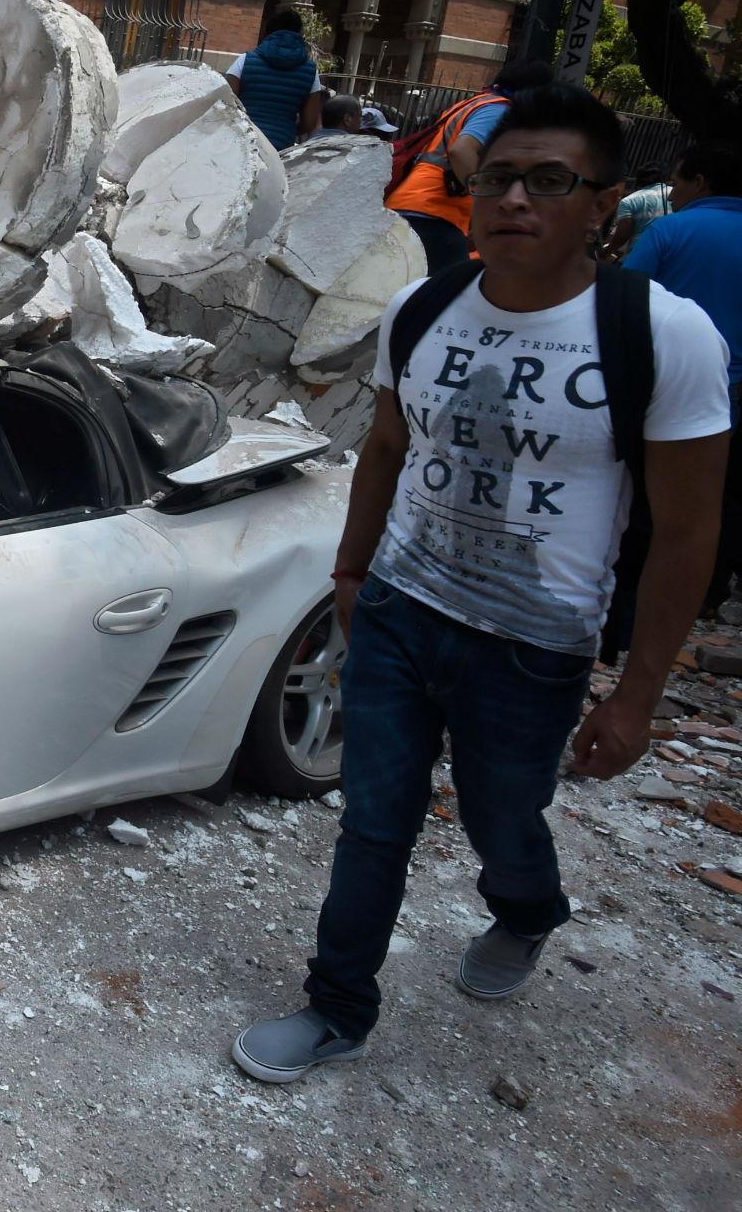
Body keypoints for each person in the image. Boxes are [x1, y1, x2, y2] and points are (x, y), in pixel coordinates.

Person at [232, 84, 732, 1086]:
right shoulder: (421, 305)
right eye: (498, 177)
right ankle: (336, 1007)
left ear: (604, 204)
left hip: (531, 645)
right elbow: (382, 444)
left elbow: (685, 533)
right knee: (374, 819)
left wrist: (634, 696)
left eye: (548, 181)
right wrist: (348, 569)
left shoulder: (661, 335)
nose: (512, 200)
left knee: (505, 821)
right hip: (398, 614)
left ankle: (526, 907)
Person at [623, 139, 742, 612]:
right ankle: (710, 590)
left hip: (659, 382)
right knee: (715, 492)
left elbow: (627, 295)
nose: (673, 189)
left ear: (701, 182)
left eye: (678, 180)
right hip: (731, 388)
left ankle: (635, 585)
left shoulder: (670, 231)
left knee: (646, 489)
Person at [384, 59, 553, 273]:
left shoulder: (474, 103)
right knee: (447, 294)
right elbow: (461, 151)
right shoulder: (498, 109)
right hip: (435, 213)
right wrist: (491, 200)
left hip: (412, 205)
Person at [225, 10, 321, 151]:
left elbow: (225, 104)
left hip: (242, 142)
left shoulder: (244, 61)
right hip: (280, 147)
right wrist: (287, 130)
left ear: (267, 32)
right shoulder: (311, 72)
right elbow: (310, 122)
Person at [605, 164, 674, 258]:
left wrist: (607, 251)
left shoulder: (629, 201)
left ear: (639, 179)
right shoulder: (676, 194)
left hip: (640, 254)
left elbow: (622, 236)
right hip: (671, 253)